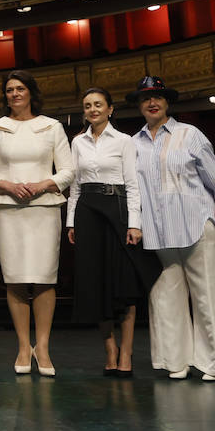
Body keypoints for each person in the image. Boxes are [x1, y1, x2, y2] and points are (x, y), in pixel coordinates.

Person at [128, 76, 215, 381]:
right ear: (139, 105)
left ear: (167, 102)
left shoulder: (190, 135)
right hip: (157, 232)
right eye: (146, 98)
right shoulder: (133, 143)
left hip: (195, 224)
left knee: (208, 296)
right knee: (165, 297)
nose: (152, 103)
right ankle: (175, 361)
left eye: (158, 97)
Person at [0, 69, 74, 377]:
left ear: (31, 92)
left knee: (45, 277)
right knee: (16, 277)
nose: (15, 94)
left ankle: (42, 347)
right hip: (8, 210)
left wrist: (43, 184)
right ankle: (23, 346)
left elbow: (68, 172)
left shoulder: (52, 127)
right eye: (9, 90)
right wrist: (7, 185)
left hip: (44, 208)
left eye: (20, 88)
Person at [67, 86, 161, 378]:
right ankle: (109, 350)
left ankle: (127, 353)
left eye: (98, 104)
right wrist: (71, 222)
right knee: (96, 284)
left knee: (124, 284)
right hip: (87, 212)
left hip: (118, 211)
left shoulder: (124, 141)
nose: (92, 109)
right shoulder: (78, 142)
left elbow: (133, 185)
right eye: (87, 105)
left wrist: (135, 223)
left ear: (110, 109)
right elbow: (74, 186)